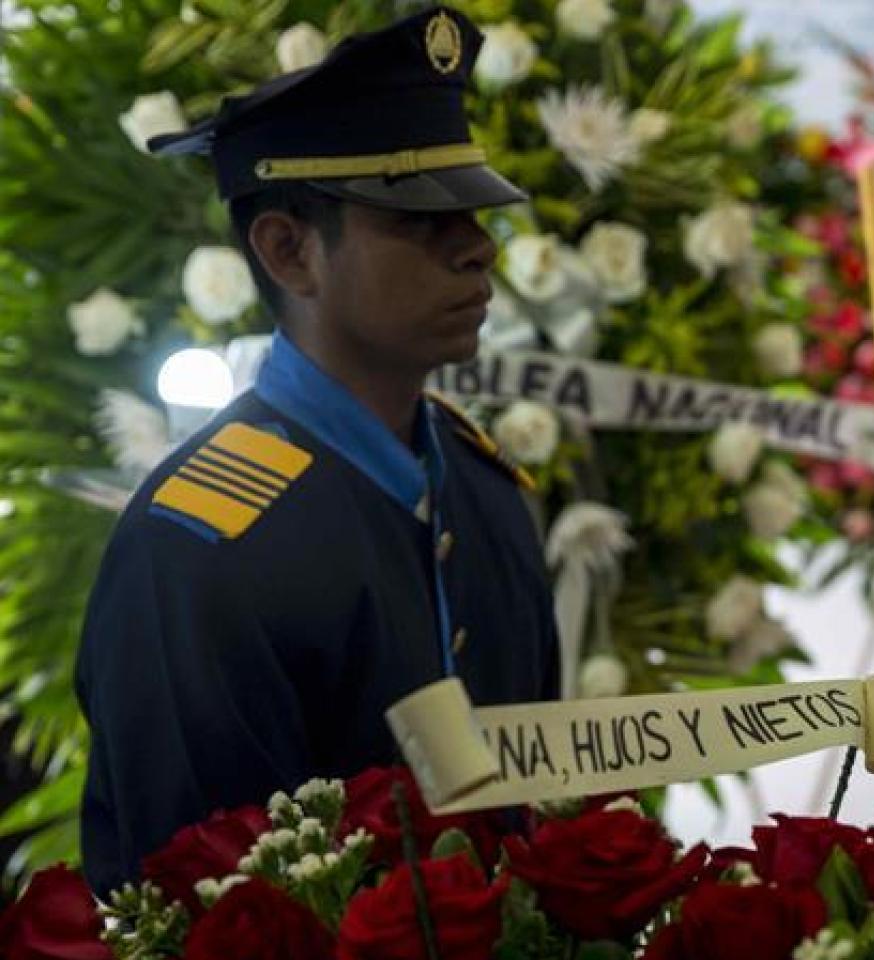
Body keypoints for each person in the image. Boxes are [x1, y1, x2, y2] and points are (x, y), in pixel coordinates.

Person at [76, 7, 559, 896]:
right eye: (419, 221)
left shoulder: (483, 487)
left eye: (475, 213)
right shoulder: (199, 548)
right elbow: (201, 908)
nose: (478, 248)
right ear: (289, 250)